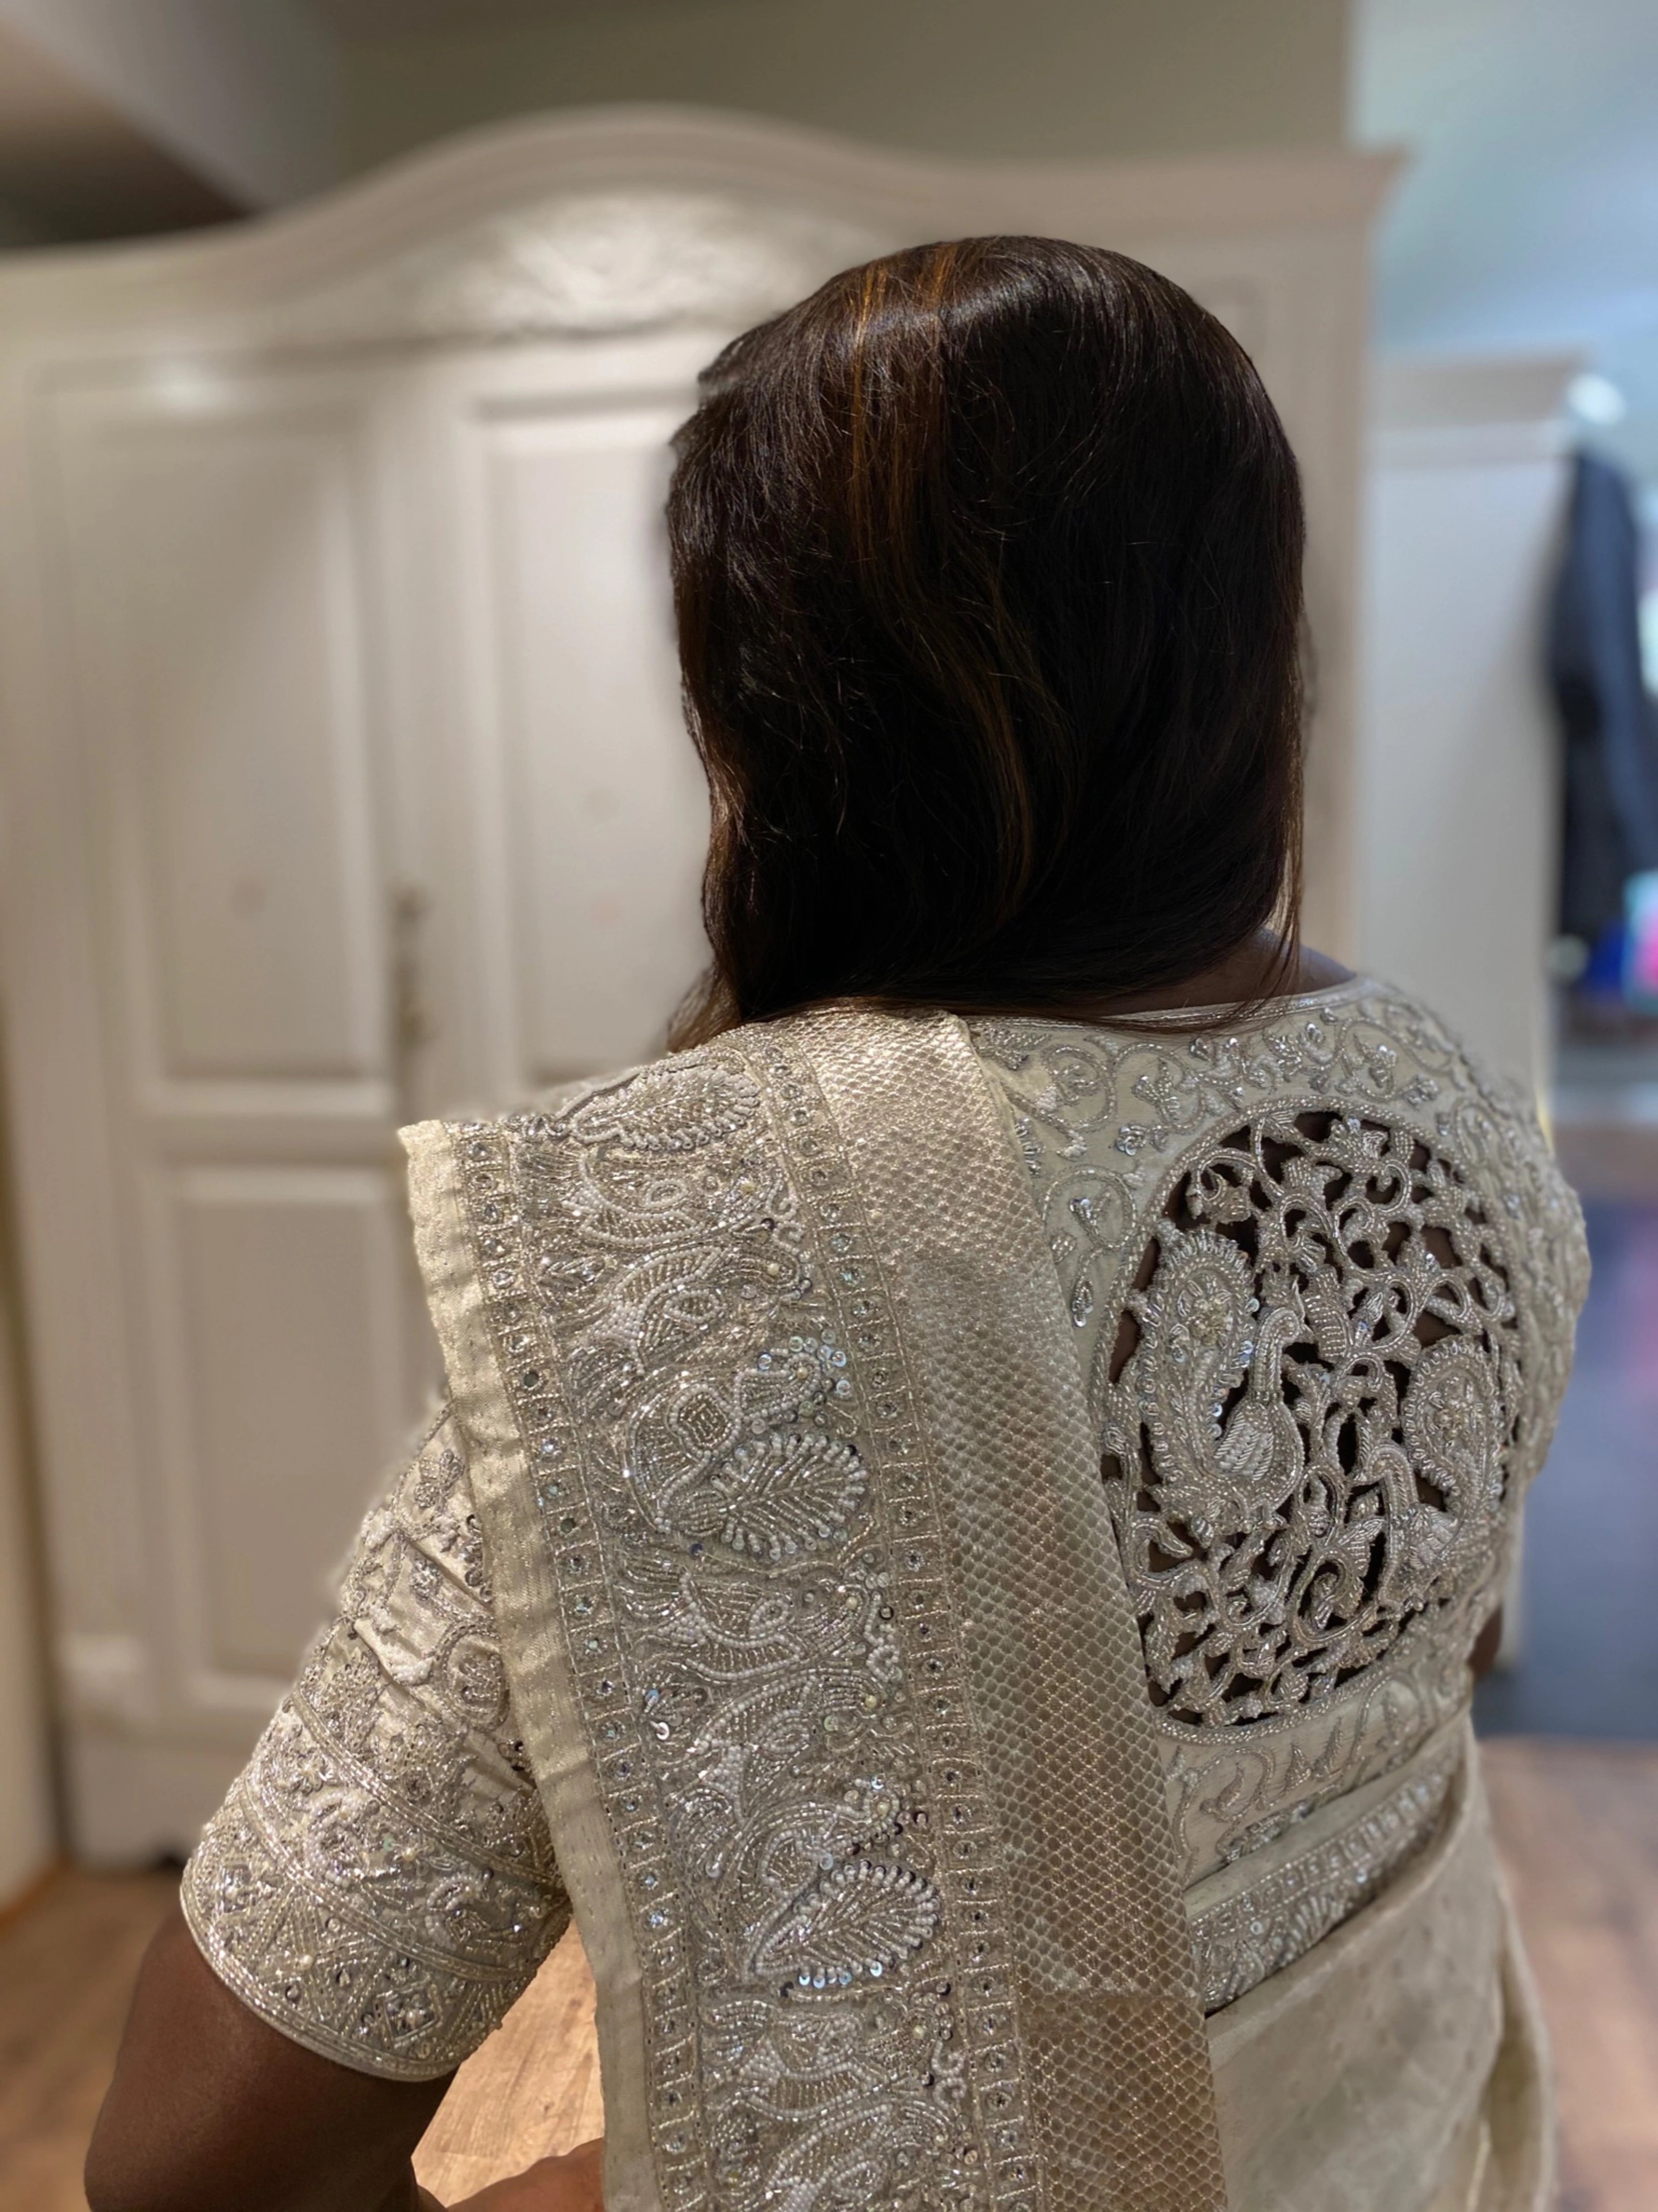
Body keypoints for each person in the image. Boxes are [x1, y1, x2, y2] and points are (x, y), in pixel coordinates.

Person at [85, 237, 1587, 2212]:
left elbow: (196, 2164)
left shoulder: (686, 1251)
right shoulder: (1445, 1109)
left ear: (771, 729)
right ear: (1253, 656)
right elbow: (1387, 1690)